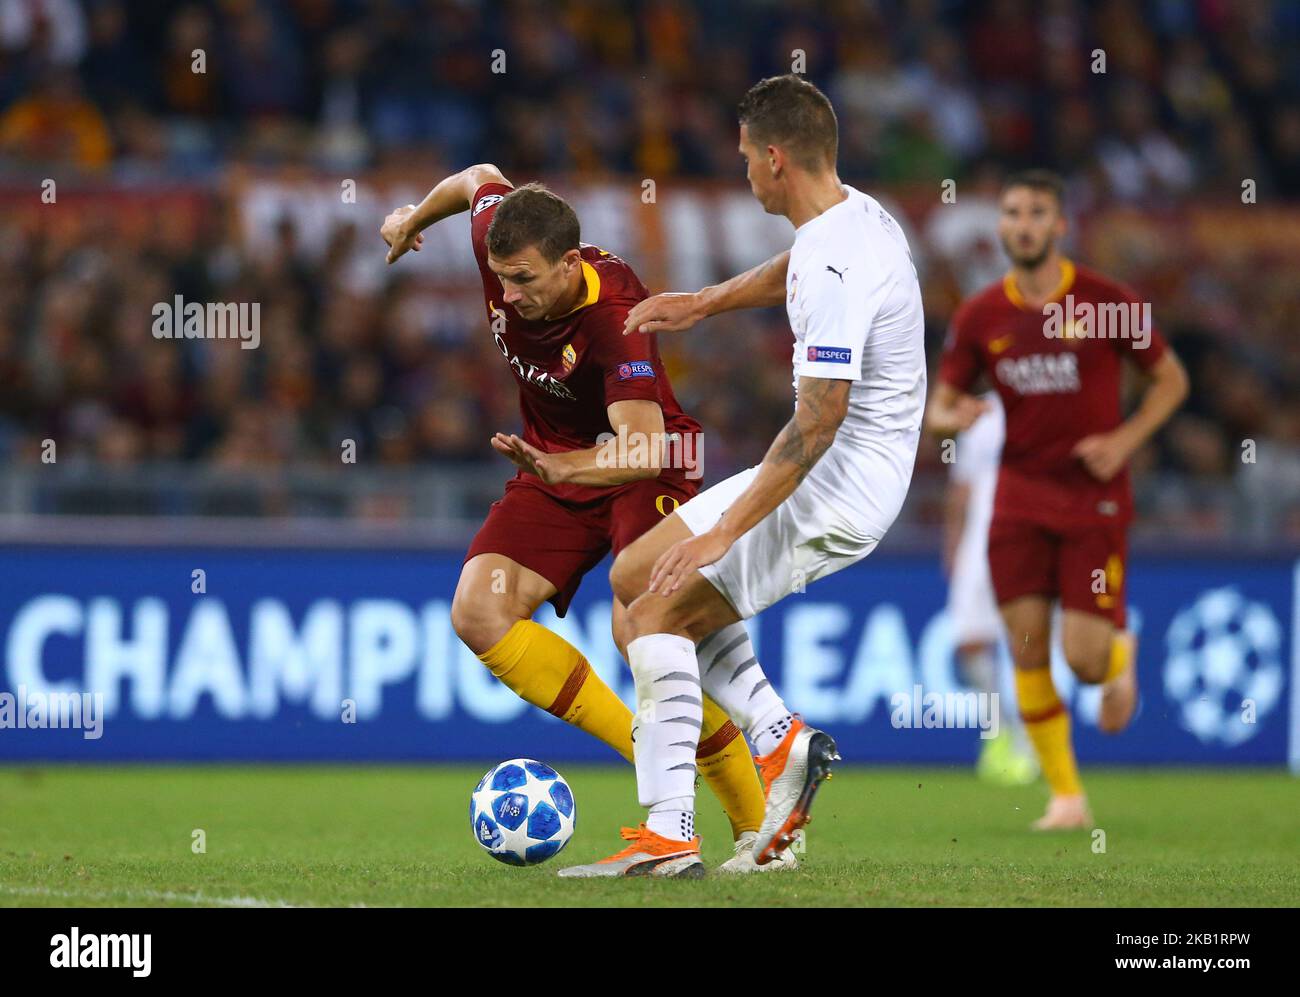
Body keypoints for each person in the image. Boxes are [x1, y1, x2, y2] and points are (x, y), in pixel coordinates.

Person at [557, 74, 926, 877]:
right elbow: (792, 266)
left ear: (774, 157)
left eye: (745, 159)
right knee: (631, 576)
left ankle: (669, 833)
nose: (743, 173)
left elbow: (818, 421)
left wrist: (726, 530)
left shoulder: (835, 266)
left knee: (653, 611)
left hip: (840, 482)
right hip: (847, 465)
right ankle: (779, 740)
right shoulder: (856, 218)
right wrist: (703, 303)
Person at [380, 166, 795, 873]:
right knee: (478, 612)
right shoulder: (500, 230)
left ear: (569, 264)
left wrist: (567, 468)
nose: (507, 296)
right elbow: (477, 178)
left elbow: (644, 447)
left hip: (645, 466)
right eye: (499, 278)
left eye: (523, 280)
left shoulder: (615, 317)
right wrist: (416, 216)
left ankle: (763, 834)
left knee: (644, 625)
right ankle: (651, 743)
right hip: (555, 466)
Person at [926, 170, 1188, 829]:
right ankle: (1067, 797)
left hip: (1091, 501)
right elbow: (941, 404)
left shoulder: (1106, 301)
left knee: (1085, 657)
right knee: (1025, 648)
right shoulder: (982, 313)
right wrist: (953, 415)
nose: (1022, 224)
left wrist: (1125, 440)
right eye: (1012, 212)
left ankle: (1120, 656)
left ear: (1060, 225)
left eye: (1036, 212)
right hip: (1016, 500)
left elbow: (1171, 379)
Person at [943, 393, 1037, 785]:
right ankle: (1000, 729)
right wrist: (953, 545)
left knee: (1027, 644)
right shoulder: (979, 413)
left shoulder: (1046, 408)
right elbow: (962, 487)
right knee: (970, 644)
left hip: (1028, 542)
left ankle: (1032, 743)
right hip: (979, 547)